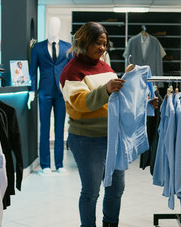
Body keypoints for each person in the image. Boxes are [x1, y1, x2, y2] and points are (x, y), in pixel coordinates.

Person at [59, 22, 126, 227]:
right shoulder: (71, 71)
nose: (102, 48)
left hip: (112, 136)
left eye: (105, 44)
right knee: (91, 191)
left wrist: (145, 103)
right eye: (98, 43)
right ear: (84, 41)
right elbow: (81, 102)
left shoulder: (105, 67)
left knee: (116, 189)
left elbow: (116, 99)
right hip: (86, 139)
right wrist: (106, 89)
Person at [29, 17, 72, 176]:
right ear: (47, 27)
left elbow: (71, 71)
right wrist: (32, 91)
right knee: (44, 128)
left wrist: (71, 90)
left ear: (59, 27)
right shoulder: (38, 47)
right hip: (44, 92)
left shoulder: (68, 47)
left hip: (61, 93)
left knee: (61, 128)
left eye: (56, 25)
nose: (53, 28)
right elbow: (33, 71)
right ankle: (45, 165)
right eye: (51, 25)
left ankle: (60, 164)